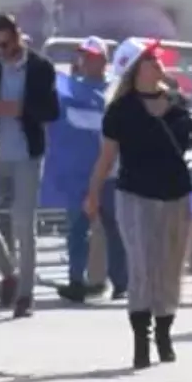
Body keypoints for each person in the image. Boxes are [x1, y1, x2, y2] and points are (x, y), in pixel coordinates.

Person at [83, 41, 192, 369]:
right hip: (135, 195)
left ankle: (165, 334)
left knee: (170, 267)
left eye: (158, 60)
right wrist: (93, 193)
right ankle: (142, 339)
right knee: (140, 265)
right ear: (135, 68)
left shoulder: (178, 103)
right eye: (150, 60)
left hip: (176, 195)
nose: (158, 64)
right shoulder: (121, 110)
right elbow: (106, 157)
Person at [0, 13, 60, 318]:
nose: (3, 51)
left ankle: (25, 294)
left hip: (26, 154)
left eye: (7, 44)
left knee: (24, 224)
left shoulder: (40, 67)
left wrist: (22, 109)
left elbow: (51, 110)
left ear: (18, 36)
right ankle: (9, 273)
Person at [57, 36, 129, 303]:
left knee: (115, 229)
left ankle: (121, 282)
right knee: (77, 229)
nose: (84, 61)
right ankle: (76, 280)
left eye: (90, 56)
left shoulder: (116, 91)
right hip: (79, 175)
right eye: (82, 56)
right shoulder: (68, 90)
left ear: (103, 59)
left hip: (111, 172)